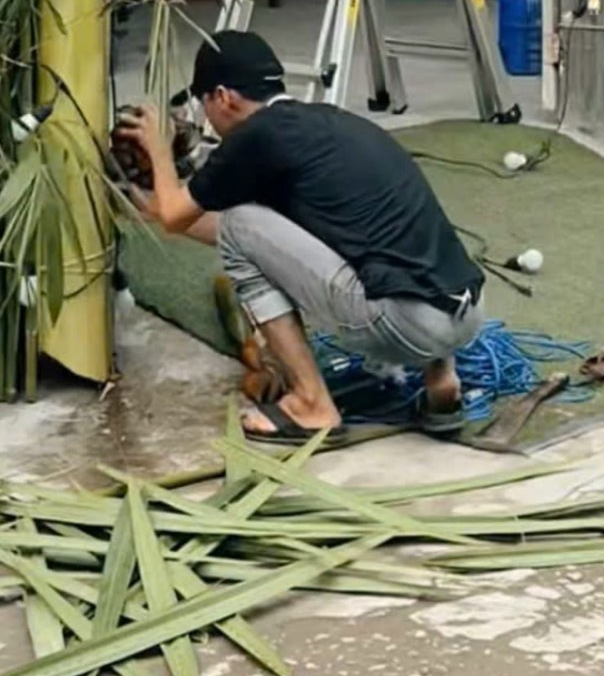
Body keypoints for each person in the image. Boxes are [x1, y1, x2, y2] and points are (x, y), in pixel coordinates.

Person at [120, 29, 487, 446]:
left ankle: (312, 404)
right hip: (465, 314)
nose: (208, 121)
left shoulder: (255, 137)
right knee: (380, 229)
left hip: (402, 327)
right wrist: (149, 205)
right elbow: (263, 241)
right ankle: (442, 381)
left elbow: (179, 216)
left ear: (223, 96)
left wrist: (158, 151)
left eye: (205, 105)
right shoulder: (330, 123)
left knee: (240, 221)